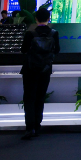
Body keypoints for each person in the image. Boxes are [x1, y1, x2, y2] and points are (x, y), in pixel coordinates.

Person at [20, 7, 60, 139]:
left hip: (30, 69)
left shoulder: (30, 34)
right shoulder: (54, 33)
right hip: (45, 69)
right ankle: (37, 126)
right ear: (48, 18)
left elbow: (23, 49)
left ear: (36, 19)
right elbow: (57, 50)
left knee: (29, 97)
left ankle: (29, 128)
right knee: (40, 97)